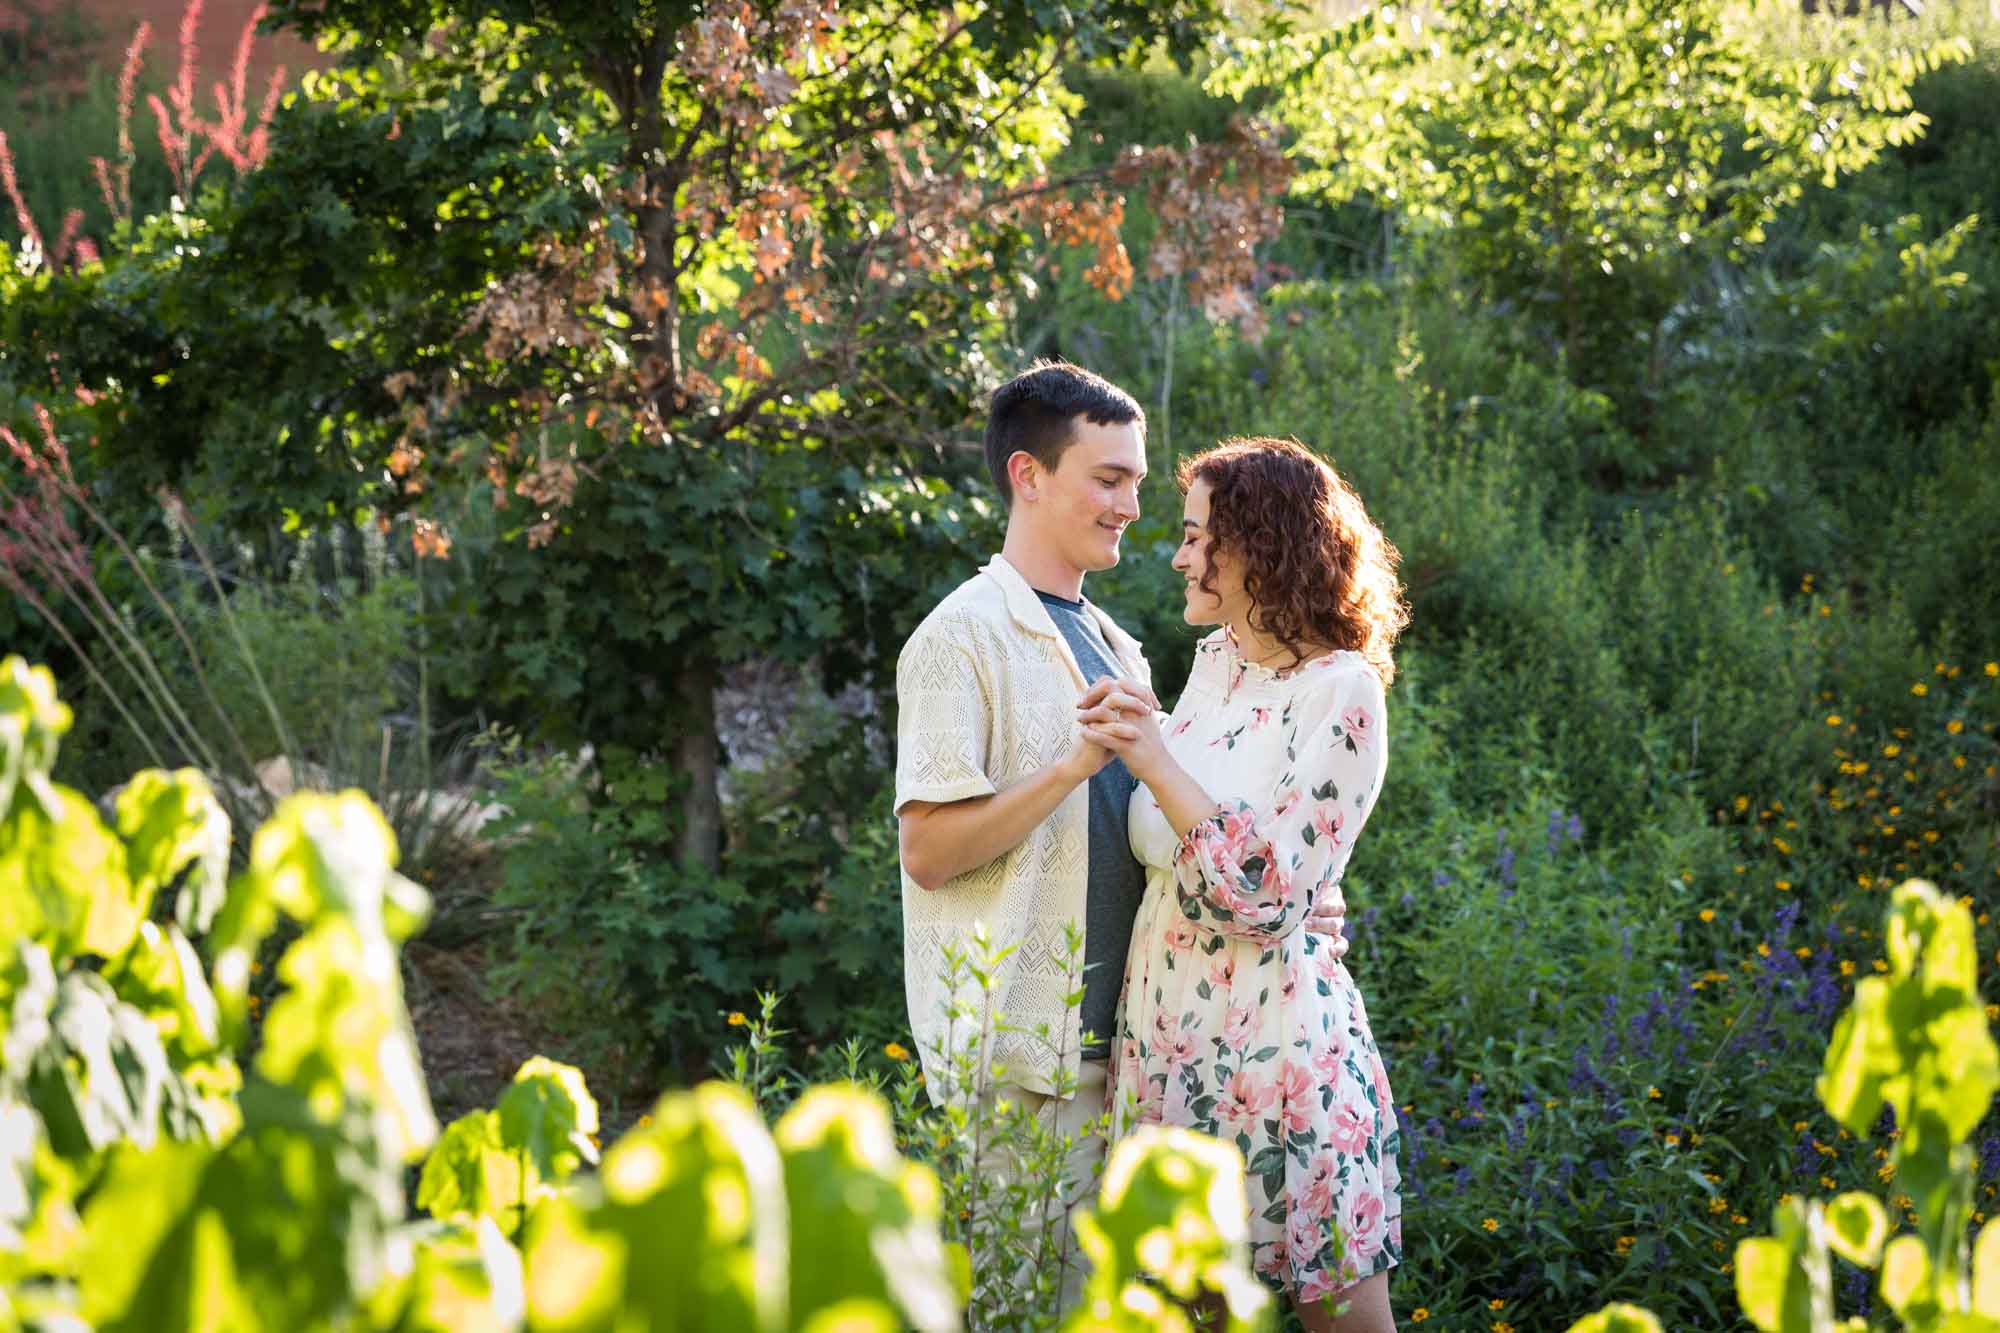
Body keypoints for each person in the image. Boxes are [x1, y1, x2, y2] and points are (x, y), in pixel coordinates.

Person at [895, 368, 1348, 1314]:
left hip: (1146, 1065)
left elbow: (1178, 829)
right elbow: (928, 852)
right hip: (1025, 1068)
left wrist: (1302, 898)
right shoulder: (957, 638)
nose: (1131, 507)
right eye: (1108, 479)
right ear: (1028, 474)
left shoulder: (1120, 645)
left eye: (1136, 482)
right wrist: (1069, 768)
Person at [1077, 437, 1407, 1332]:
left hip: (1281, 1056)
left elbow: (1268, 896)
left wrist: (1152, 758)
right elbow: (1178, 843)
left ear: (1262, 544)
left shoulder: (1343, 692)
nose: (1179, 556)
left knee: (1341, 1318)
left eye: (1197, 537)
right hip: (1170, 1051)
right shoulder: (1216, 662)